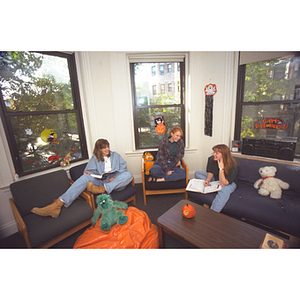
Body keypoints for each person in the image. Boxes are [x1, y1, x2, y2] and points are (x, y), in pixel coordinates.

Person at [31, 139, 133, 218]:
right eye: (104, 148)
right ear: (99, 149)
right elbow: (89, 171)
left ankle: (103, 189)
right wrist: (88, 173)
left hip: (115, 183)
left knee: (128, 175)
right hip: (99, 182)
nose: (107, 149)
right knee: (84, 178)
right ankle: (58, 204)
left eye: (107, 146)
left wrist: (115, 177)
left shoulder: (116, 156)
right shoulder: (94, 159)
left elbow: (123, 169)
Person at [195, 144, 237, 213]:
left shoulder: (233, 165)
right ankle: (214, 185)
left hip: (228, 183)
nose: (214, 154)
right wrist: (207, 180)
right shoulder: (212, 159)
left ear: (224, 155)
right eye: (214, 152)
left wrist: (221, 168)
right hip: (217, 179)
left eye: (217, 153)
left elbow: (224, 183)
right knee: (197, 173)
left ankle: (213, 213)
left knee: (224, 189)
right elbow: (211, 172)